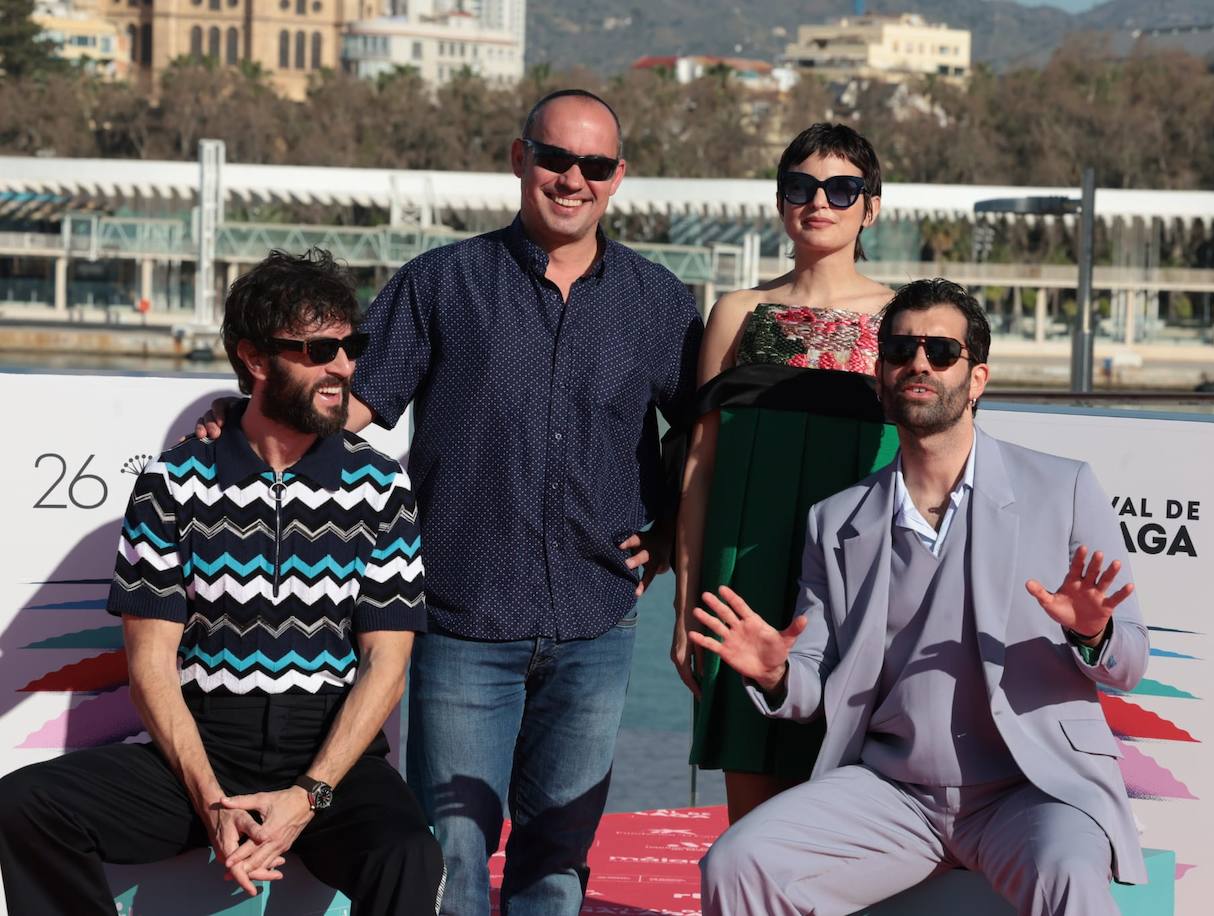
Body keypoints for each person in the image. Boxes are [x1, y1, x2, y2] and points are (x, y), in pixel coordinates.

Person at [198, 88, 702, 915]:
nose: (573, 178)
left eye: (596, 165)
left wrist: (671, 531)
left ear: (620, 178)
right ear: (519, 158)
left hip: (599, 617)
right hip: (462, 620)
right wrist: (249, 409)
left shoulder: (659, 302)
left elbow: (701, 436)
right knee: (451, 859)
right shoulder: (440, 283)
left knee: (560, 856)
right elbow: (351, 405)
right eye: (555, 158)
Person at [0, 249, 444, 915]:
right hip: (204, 749)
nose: (345, 368)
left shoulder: (381, 486)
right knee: (25, 807)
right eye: (319, 349)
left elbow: (387, 663)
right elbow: (150, 659)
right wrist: (211, 801)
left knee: (408, 853)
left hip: (329, 760)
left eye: (351, 345)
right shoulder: (173, 483)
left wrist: (307, 797)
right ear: (256, 359)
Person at [692, 278, 1149, 916]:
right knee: (737, 862)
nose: (919, 364)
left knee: (1069, 875)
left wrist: (1091, 634)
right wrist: (774, 675)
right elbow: (811, 684)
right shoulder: (837, 521)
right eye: (902, 350)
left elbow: (1130, 663)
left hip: (1033, 789)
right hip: (892, 795)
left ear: (977, 377)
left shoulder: (1063, 487)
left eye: (940, 350)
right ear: (880, 375)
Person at [674, 123, 894, 822]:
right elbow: (698, 469)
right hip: (747, 580)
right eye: (800, 186)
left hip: (864, 582)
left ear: (872, 206)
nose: (819, 202)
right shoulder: (737, 314)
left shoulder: (901, 322)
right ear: (780, 201)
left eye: (841, 188)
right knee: (754, 804)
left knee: (856, 794)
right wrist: (685, 606)